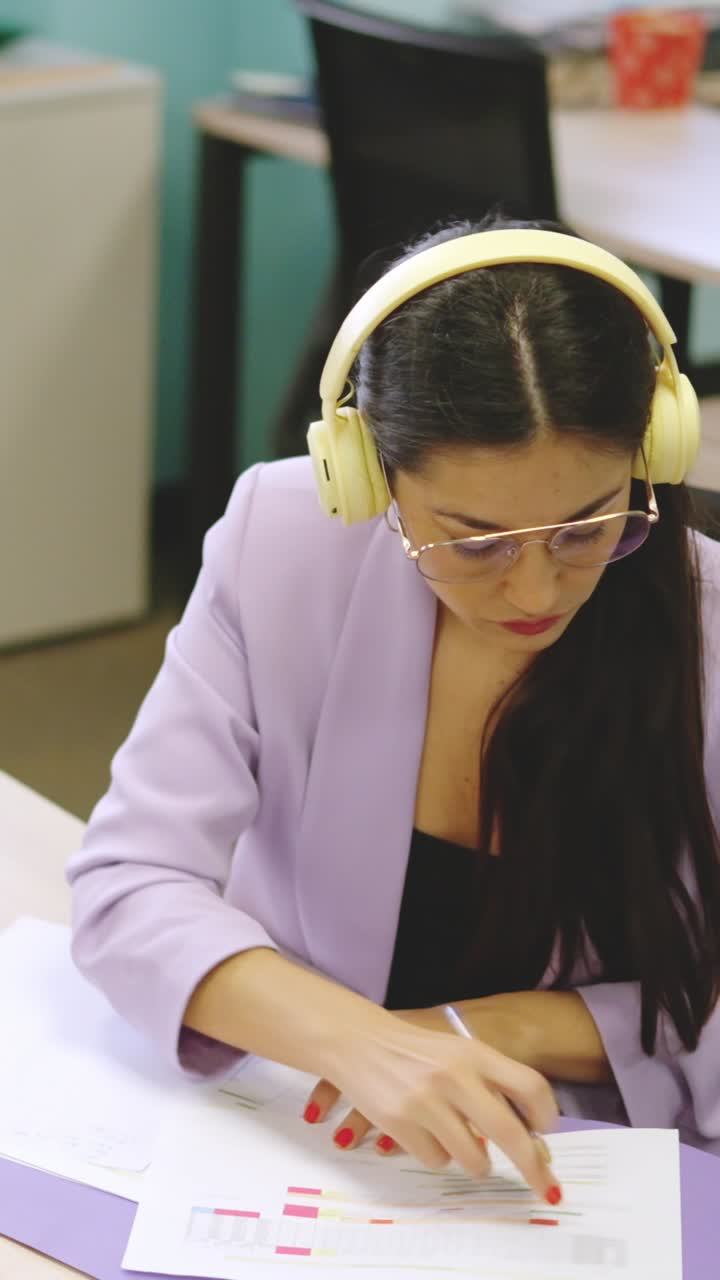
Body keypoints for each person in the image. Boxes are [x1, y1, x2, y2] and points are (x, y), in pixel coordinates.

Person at [67, 216, 720, 1204]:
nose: (533, 589)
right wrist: (360, 1041)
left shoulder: (705, 626)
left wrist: (492, 1027)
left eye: (586, 527)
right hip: (304, 1117)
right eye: (474, 541)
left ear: (653, 451)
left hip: (581, 1155)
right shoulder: (281, 542)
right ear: (367, 476)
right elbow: (129, 882)